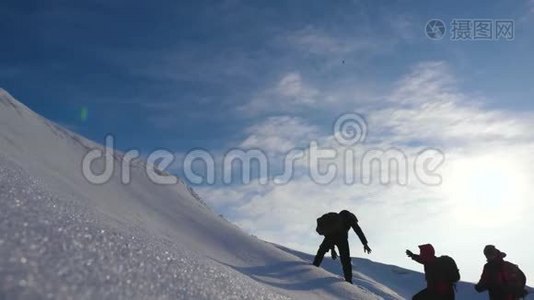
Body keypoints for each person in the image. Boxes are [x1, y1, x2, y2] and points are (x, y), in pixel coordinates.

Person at [312, 210, 371, 284]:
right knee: (346, 260)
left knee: (321, 252)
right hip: (342, 238)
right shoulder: (350, 218)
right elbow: (358, 230)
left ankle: (313, 266)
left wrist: (332, 249)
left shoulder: (336, 219)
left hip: (330, 236)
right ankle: (348, 281)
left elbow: (331, 232)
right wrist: (365, 243)